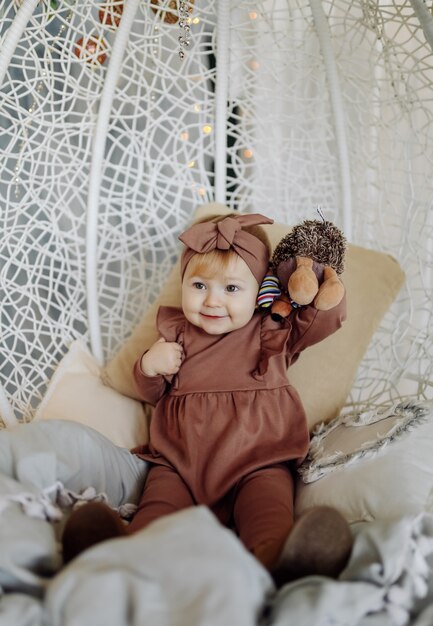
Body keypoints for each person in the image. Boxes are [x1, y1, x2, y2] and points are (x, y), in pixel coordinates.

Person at [62, 212, 353, 584]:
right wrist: (149, 368)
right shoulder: (177, 334)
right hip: (181, 462)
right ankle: (122, 551)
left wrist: (319, 289)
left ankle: (279, 557)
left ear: (260, 292)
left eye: (232, 289)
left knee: (267, 510)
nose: (212, 301)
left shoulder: (271, 329)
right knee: (158, 508)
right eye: (199, 285)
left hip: (258, 460)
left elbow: (320, 320)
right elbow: (154, 394)